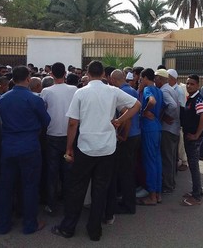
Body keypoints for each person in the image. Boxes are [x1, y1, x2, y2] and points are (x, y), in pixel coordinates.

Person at [52, 60, 141, 241]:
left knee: (77, 188)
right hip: (108, 148)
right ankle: (94, 230)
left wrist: (69, 148)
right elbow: (136, 105)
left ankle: (68, 227)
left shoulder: (81, 93)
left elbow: (72, 123)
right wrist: (120, 120)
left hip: (86, 147)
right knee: (100, 190)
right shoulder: (113, 91)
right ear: (103, 75)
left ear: (88, 73)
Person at [0, 65, 50, 235]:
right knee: (30, 186)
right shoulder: (35, 99)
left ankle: (3, 225)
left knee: (5, 187)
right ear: (28, 79)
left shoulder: (3, 99)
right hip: (29, 145)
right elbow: (46, 120)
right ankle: (29, 224)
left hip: (9, 145)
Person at [40, 62, 77, 216]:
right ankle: (69, 203)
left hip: (52, 135)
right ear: (65, 74)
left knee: (52, 172)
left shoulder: (46, 91)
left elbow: (43, 111)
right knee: (68, 172)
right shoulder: (74, 89)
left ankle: (51, 204)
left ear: (51, 75)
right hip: (70, 135)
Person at [108, 69, 141, 215]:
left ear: (114, 80)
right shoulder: (131, 90)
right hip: (136, 133)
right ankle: (128, 200)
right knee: (129, 169)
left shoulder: (121, 93)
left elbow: (125, 117)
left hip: (128, 136)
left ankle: (128, 204)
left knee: (125, 171)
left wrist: (123, 135)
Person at [137, 68, 164, 205]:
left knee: (150, 162)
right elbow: (163, 107)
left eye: (141, 79)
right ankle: (158, 194)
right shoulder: (159, 90)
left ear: (145, 78)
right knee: (157, 161)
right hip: (157, 127)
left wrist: (144, 111)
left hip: (149, 128)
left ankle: (152, 196)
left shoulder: (149, 89)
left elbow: (151, 102)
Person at [180, 74, 203, 206]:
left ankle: (197, 196)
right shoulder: (191, 98)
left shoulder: (198, 100)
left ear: (197, 85)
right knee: (193, 166)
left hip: (193, 139)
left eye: (192, 84)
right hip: (188, 136)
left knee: (194, 166)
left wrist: (196, 135)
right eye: (187, 83)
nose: (189, 86)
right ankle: (196, 191)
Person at [154, 69, 180, 194]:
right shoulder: (170, 88)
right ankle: (171, 183)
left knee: (167, 158)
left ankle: (168, 185)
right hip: (173, 129)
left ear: (160, 79)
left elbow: (173, 106)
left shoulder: (164, 90)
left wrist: (166, 116)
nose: (154, 81)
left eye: (155, 78)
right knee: (171, 157)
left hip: (167, 129)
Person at [167, 69, 188, 171]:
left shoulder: (178, 90)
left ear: (171, 78)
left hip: (177, 121)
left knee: (180, 143)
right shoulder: (171, 88)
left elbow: (181, 107)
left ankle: (184, 161)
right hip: (173, 121)